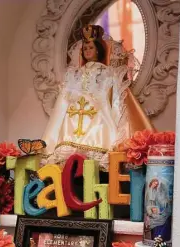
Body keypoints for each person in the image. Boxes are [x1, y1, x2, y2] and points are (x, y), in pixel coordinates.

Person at [41, 24, 154, 170]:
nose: (88, 51)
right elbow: (61, 104)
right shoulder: (73, 75)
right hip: (72, 121)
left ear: (98, 50)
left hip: (99, 123)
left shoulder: (108, 73)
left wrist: (119, 129)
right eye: (85, 49)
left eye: (91, 48)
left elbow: (114, 101)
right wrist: (49, 139)